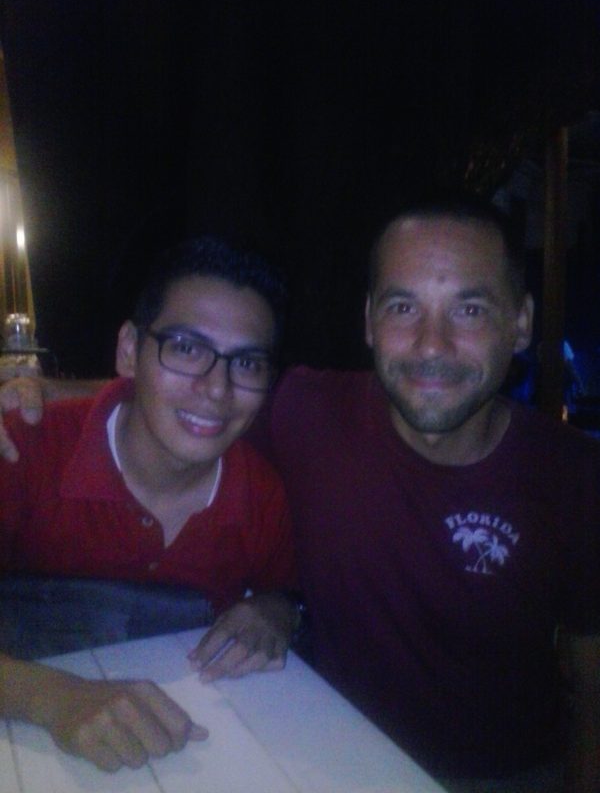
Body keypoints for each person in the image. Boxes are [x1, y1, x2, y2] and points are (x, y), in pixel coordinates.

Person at [2, 197, 599, 792]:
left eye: (469, 309)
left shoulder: (578, 477)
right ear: (368, 320)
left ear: (521, 321)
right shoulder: (306, 410)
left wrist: (278, 608)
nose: (431, 344)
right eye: (402, 306)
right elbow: (184, 401)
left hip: (510, 778)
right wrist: (33, 395)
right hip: (324, 755)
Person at [0, 237, 299, 772]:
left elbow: (282, 593)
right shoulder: (22, 446)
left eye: (247, 363)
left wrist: (276, 611)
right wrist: (54, 699)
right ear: (129, 350)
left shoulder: (261, 493)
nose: (216, 389)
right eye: (186, 348)